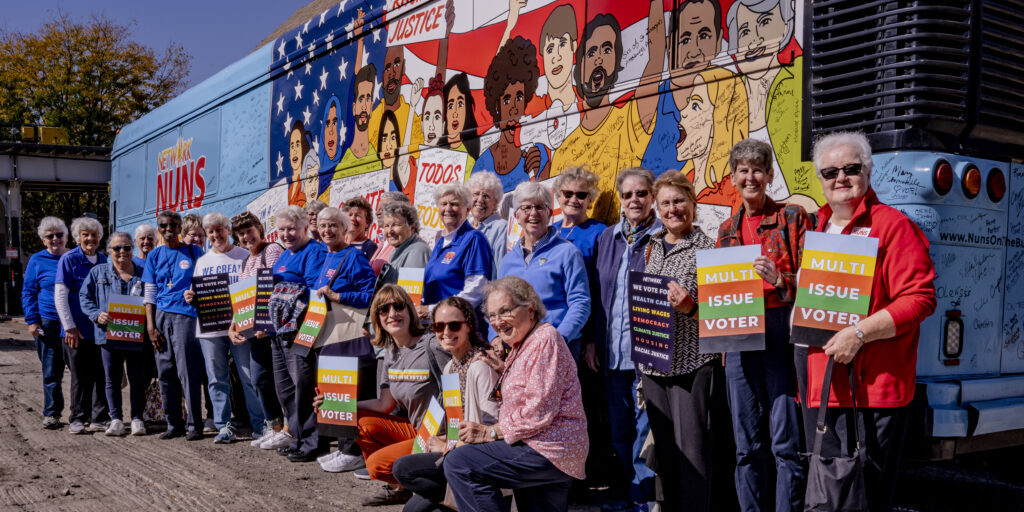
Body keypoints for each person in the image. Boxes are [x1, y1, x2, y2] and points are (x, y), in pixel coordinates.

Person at [800, 132, 936, 512]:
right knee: (830, 494)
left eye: (851, 168)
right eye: (830, 171)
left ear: (868, 170)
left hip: (871, 389)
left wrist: (858, 333)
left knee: (865, 498)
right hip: (821, 387)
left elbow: (920, 299)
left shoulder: (892, 226)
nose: (840, 177)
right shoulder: (816, 229)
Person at [716, 139, 811, 512]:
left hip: (780, 328)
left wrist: (780, 278)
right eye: (743, 170)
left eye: (758, 169)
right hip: (738, 334)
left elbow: (815, 284)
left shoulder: (793, 217)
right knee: (745, 446)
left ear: (770, 175)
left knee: (785, 441)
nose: (750, 176)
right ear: (734, 178)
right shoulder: (726, 228)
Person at [444, 276, 588, 511]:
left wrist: (489, 432)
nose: (498, 322)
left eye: (505, 311)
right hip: (544, 446)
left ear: (530, 310)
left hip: (549, 448)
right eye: (492, 316)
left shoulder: (545, 339)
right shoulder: (524, 344)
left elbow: (537, 412)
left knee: (460, 463)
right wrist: (504, 370)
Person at [315, 284, 451, 506]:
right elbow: (384, 403)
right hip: (418, 431)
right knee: (357, 420)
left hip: (442, 437)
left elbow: (461, 390)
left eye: (398, 306)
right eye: (383, 310)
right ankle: (405, 487)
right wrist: (337, 404)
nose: (392, 314)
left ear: (409, 310)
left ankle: (433, 482)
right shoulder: (391, 352)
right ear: (377, 319)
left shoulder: (432, 346)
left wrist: (453, 438)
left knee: (377, 466)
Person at [639, 171, 718, 511]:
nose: (673, 209)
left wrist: (691, 308)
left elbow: (720, 318)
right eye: (666, 202)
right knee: (666, 456)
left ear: (693, 203)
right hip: (654, 364)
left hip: (692, 365)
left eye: (679, 201)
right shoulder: (651, 246)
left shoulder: (709, 249)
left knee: (693, 453)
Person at [590, 168, 660, 509]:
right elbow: (595, 294)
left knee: (645, 431)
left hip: (648, 354)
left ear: (653, 197)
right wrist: (592, 342)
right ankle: (631, 494)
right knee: (619, 431)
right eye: (628, 194)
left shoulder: (663, 237)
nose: (635, 200)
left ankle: (642, 499)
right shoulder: (608, 239)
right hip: (612, 354)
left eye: (642, 194)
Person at [392, 296, 499, 512]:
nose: (446, 332)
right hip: (457, 453)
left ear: (468, 326)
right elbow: (455, 422)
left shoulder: (481, 367)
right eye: (439, 326)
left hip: (479, 460)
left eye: (454, 325)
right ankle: (458, 501)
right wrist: (445, 439)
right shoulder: (450, 366)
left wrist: (449, 447)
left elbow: (490, 430)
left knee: (404, 469)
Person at [184, 212, 266, 444]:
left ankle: (260, 425)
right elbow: (196, 291)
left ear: (227, 230)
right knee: (216, 379)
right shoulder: (203, 261)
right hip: (210, 328)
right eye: (210, 231)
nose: (215, 235)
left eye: (219, 229)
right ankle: (224, 426)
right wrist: (190, 296)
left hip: (241, 325)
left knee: (248, 376)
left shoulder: (243, 255)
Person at [308, 207, 377, 472]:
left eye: (333, 226)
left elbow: (370, 294)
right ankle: (343, 446)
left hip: (347, 336)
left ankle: (353, 451)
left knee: (347, 390)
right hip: (328, 335)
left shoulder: (354, 257)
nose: (327, 231)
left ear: (344, 228)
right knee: (333, 390)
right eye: (323, 226)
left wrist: (338, 297)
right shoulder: (329, 256)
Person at [495, 181, 590, 360]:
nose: (533, 213)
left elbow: (580, 303)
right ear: (516, 215)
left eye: (539, 207)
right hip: (519, 347)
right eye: (526, 208)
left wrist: (557, 339)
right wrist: (495, 337)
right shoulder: (508, 260)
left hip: (558, 348)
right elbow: (498, 306)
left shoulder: (567, 252)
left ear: (549, 213)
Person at [227, 211, 291, 450]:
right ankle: (274, 428)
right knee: (260, 380)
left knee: (279, 382)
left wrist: (267, 323)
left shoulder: (272, 250)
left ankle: (287, 429)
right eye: (241, 233)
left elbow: (275, 289)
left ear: (259, 229)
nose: (246, 236)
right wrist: (233, 326)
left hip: (272, 331)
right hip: (253, 332)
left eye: (249, 230)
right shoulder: (245, 260)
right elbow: (242, 298)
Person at [269, 205, 327, 462]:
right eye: (282, 229)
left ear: (305, 228)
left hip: (300, 329)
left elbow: (316, 293)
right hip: (278, 332)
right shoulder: (284, 255)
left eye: (291, 229)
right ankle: (298, 437)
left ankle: (312, 442)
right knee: (285, 389)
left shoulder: (313, 251)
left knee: (303, 386)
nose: (286, 234)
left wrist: (308, 331)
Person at [142, 210, 206, 440]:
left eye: (173, 226)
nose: (168, 230)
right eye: (163, 226)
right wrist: (150, 326)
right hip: (160, 316)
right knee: (165, 371)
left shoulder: (194, 251)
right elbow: (149, 292)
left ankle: (194, 425)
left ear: (180, 228)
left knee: (188, 371)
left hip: (186, 316)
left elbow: (204, 282)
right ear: (159, 228)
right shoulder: (154, 256)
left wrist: (195, 293)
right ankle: (173, 424)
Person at [79, 232, 148, 437]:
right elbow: (84, 297)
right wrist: (96, 314)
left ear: (132, 250)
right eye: (117, 248)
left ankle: (137, 418)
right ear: (109, 251)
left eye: (126, 247)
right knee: (112, 379)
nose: (122, 252)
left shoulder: (144, 272)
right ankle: (116, 418)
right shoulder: (98, 272)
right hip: (108, 335)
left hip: (136, 335)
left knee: (138, 379)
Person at [55, 216, 110, 435]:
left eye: (94, 235)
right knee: (79, 375)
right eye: (85, 234)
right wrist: (69, 327)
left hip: (100, 329)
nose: (90, 239)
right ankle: (77, 418)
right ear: (78, 238)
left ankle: (98, 417)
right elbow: (60, 296)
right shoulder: (68, 259)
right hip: (76, 330)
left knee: (101, 373)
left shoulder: (104, 259)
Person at [477, 35, 551, 191]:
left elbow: (546, 204)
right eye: (506, 100)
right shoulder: (482, 165)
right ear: (496, 106)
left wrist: (536, 176)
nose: (513, 108)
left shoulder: (539, 154)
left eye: (519, 97)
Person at [419, 183, 494, 323]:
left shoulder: (473, 238)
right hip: (436, 326)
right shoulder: (441, 241)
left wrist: (432, 310)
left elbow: (477, 289)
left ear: (467, 209)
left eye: (454, 204)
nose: (448, 209)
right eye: (443, 204)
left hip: (459, 327)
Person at [22, 216, 70, 429]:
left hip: (73, 324)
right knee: (51, 372)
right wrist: (32, 321)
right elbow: (29, 292)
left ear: (66, 237)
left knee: (81, 372)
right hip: (48, 322)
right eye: (50, 236)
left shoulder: (74, 257)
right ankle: (52, 413)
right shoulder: (36, 260)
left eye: (59, 234)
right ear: (43, 240)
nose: (55, 239)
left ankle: (82, 413)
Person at [377, 201, 431, 286]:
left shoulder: (417, 252)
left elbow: (410, 295)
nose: (390, 231)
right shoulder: (400, 248)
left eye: (396, 225)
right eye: (386, 226)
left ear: (412, 228)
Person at [466, 171, 507, 277]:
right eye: (476, 194)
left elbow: (502, 272)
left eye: (486, 196)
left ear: (496, 203)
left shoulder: (500, 228)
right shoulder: (466, 227)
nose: (480, 200)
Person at [369, 191, 414, 275]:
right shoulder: (384, 243)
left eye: (384, 209)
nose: (377, 212)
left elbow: (410, 284)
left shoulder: (410, 244)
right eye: (378, 209)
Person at [345, 196, 379, 261]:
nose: (352, 218)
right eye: (350, 215)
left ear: (367, 223)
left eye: (358, 215)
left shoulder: (370, 247)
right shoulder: (340, 246)